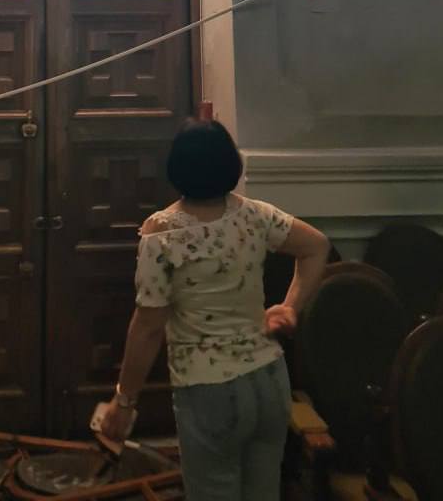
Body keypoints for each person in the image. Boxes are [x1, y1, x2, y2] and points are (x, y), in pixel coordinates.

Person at [98, 118, 330, 501]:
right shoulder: (256, 215)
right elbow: (317, 247)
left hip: (210, 392)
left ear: (176, 168)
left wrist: (124, 401)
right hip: (270, 381)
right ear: (229, 164)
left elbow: (148, 327)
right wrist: (290, 307)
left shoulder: (163, 232)